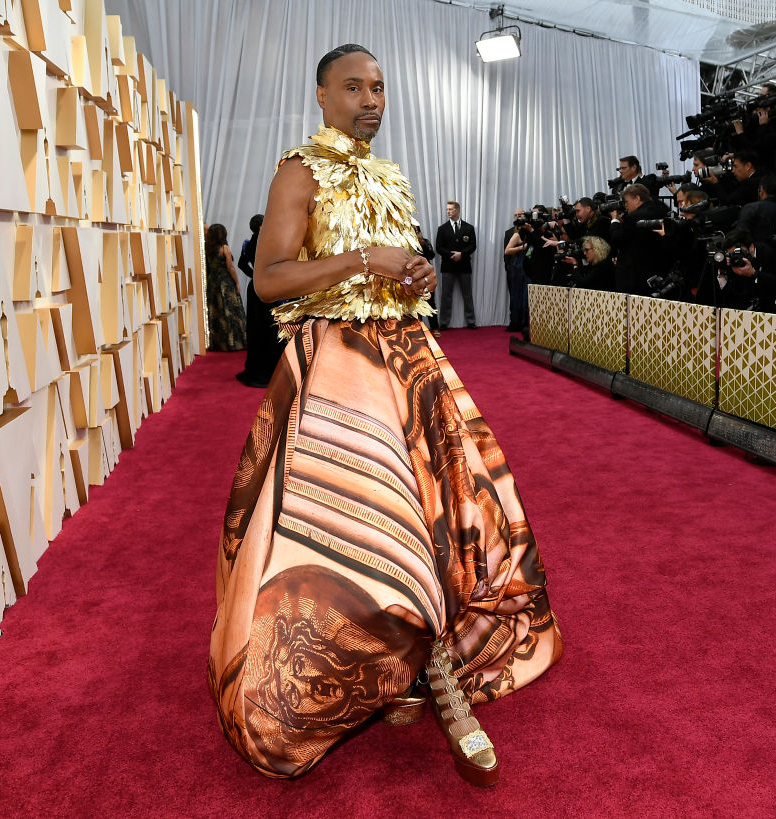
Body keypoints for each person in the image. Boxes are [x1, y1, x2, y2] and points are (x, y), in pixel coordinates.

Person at [208, 43, 560, 788]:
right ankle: (385, 666)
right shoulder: (298, 170)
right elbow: (270, 279)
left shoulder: (387, 176)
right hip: (338, 366)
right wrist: (363, 259)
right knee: (365, 525)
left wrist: (415, 273)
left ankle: (426, 661)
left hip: (407, 352)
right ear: (321, 95)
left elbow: (394, 271)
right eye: (353, 87)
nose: (371, 100)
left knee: (446, 504)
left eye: (379, 88)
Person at [235, 214, 286, 387]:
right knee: (271, 327)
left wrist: (255, 276)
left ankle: (257, 368)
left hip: (255, 288)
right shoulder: (270, 243)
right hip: (269, 288)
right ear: (261, 227)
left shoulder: (248, 244)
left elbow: (242, 264)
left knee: (256, 327)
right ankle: (271, 370)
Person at [435, 200, 478, 328]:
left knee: (467, 294)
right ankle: (443, 323)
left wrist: (461, 254)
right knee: (446, 295)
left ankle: (471, 322)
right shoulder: (442, 229)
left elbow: (472, 246)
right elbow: (439, 247)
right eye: (447, 209)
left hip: (464, 266)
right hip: (448, 266)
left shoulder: (468, 228)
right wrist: (451, 255)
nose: (448, 211)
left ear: (458, 210)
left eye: (451, 209)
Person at [204, 224, 246, 351]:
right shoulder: (224, 248)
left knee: (216, 312)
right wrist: (237, 283)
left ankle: (218, 343)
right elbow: (230, 267)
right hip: (225, 283)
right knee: (230, 311)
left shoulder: (207, 248)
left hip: (212, 283)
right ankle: (232, 342)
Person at [503, 220, 530, 333]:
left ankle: (526, 323)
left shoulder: (532, 235)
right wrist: (522, 247)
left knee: (526, 297)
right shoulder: (517, 234)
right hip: (518, 267)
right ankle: (517, 322)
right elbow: (507, 250)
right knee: (518, 296)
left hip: (529, 268)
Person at [414, 223, 440, 336]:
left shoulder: (424, 241)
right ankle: (420, 329)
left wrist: (423, 245)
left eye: (415, 230)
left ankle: (435, 328)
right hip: (413, 277)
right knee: (415, 303)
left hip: (426, 276)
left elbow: (431, 255)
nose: (413, 232)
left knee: (430, 302)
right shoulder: (404, 244)